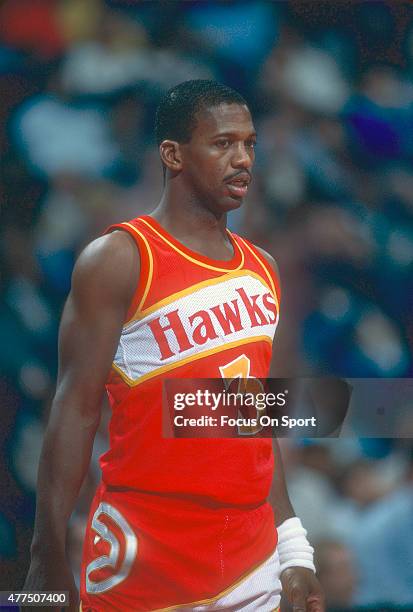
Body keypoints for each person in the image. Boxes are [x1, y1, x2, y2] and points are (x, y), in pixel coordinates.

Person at [24, 80, 324, 611]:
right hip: (146, 551)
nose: (242, 159)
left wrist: (295, 548)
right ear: (173, 154)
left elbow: (253, 413)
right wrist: (45, 558)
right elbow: (74, 411)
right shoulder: (119, 258)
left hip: (251, 557)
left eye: (250, 144)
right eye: (223, 143)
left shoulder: (264, 269)